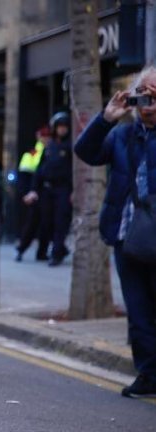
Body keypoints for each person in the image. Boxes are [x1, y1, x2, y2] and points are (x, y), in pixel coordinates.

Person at [73, 66, 156, 398]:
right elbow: (86, 152)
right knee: (138, 312)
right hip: (127, 237)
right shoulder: (123, 134)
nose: (149, 103)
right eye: (144, 94)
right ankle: (149, 374)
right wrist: (107, 117)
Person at [34, 111, 73, 266]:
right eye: (60, 127)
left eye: (65, 127)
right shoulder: (50, 146)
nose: (62, 130)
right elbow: (39, 170)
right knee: (46, 222)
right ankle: (55, 249)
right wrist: (34, 189)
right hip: (47, 189)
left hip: (63, 189)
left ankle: (56, 253)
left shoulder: (70, 146)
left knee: (60, 222)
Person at [15, 126, 51, 262]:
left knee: (46, 225)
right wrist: (25, 193)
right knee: (32, 223)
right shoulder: (32, 153)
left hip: (47, 192)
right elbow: (23, 177)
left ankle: (41, 252)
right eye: (44, 136)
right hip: (34, 193)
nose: (46, 139)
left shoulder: (52, 150)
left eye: (48, 136)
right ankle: (22, 248)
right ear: (38, 136)